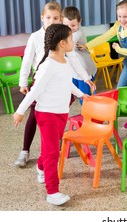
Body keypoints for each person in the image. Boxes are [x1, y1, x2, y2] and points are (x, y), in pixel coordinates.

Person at [13, 24, 88, 205]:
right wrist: (20, 111)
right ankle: (52, 191)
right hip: (47, 114)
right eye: (71, 39)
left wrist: (80, 94)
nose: (73, 41)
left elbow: (67, 83)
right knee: (53, 152)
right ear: (62, 43)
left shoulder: (64, 61)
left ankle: (41, 168)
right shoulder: (48, 66)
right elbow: (34, 92)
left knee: (51, 147)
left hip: (61, 113)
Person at [14, 1, 95, 168]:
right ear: (42, 18)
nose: (52, 20)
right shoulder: (35, 37)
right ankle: (25, 150)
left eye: (56, 17)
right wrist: (23, 81)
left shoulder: (62, 36)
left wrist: (85, 77)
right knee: (35, 116)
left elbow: (73, 58)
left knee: (58, 114)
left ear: (60, 19)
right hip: (42, 80)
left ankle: (54, 142)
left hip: (61, 80)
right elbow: (27, 59)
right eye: (48, 17)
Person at [79, 0, 127, 129]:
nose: (122, 19)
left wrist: (118, 49)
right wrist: (87, 46)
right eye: (119, 16)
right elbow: (104, 37)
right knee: (120, 90)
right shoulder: (118, 26)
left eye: (125, 16)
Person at [62, 6, 97, 104]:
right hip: (74, 70)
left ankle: (92, 115)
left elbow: (71, 45)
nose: (70, 29)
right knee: (78, 94)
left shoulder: (79, 32)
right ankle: (87, 114)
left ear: (79, 21)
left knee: (86, 97)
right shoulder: (64, 31)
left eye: (73, 25)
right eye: (66, 25)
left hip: (84, 69)